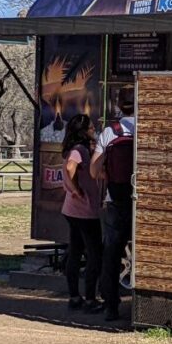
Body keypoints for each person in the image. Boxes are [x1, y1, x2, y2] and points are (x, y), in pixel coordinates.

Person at [91, 89, 135, 322]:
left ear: (118, 105)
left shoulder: (111, 132)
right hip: (144, 202)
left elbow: (93, 169)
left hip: (117, 200)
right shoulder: (150, 127)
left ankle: (111, 305)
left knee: (111, 253)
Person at [60, 114, 103, 312]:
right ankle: (90, 298)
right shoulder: (79, 150)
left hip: (71, 210)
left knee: (75, 251)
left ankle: (74, 296)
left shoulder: (74, 148)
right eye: (91, 127)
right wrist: (77, 189)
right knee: (94, 254)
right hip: (84, 211)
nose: (94, 130)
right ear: (83, 131)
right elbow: (70, 167)